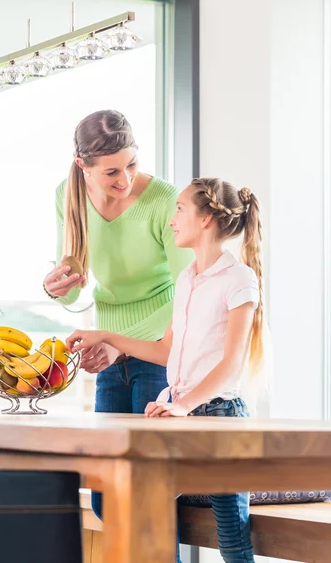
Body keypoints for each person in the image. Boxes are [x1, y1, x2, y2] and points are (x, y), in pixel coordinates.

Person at [67, 177, 266, 563]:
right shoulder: (186, 278)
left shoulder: (239, 279)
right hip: (182, 415)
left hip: (219, 416)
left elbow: (231, 365)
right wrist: (107, 337)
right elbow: (166, 350)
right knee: (144, 508)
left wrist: (183, 404)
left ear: (206, 219)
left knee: (232, 537)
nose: (172, 220)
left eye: (180, 210)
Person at [43, 109, 193, 519]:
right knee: (106, 499)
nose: (124, 180)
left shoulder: (165, 200)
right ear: (83, 167)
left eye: (132, 164)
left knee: (152, 501)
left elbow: (189, 293)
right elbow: (76, 289)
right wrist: (55, 289)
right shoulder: (66, 195)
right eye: (111, 172)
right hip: (109, 354)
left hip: (159, 351)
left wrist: (117, 344)